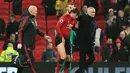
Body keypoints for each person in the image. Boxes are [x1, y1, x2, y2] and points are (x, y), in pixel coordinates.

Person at [17, 5, 51, 73]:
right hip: (25, 44)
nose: (37, 12)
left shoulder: (33, 19)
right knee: (31, 61)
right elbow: (20, 30)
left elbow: (37, 30)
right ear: (31, 11)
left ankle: (18, 69)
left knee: (27, 61)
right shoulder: (26, 18)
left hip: (31, 44)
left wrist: (44, 35)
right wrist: (19, 42)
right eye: (36, 11)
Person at [55, 8, 79, 73]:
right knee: (63, 57)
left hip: (67, 39)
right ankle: (56, 71)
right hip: (60, 37)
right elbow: (57, 27)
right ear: (73, 13)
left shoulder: (74, 21)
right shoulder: (65, 17)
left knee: (69, 58)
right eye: (76, 15)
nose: (76, 17)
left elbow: (73, 28)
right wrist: (62, 37)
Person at [75, 7, 96, 73]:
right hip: (82, 43)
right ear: (88, 12)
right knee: (82, 59)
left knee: (92, 58)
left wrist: (93, 41)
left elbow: (93, 33)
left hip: (89, 43)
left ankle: (79, 70)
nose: (93, 13)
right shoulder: (83, 18)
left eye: (94, 12)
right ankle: (80, 69)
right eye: (92, 12)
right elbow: (75, 18)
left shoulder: (94, 22)